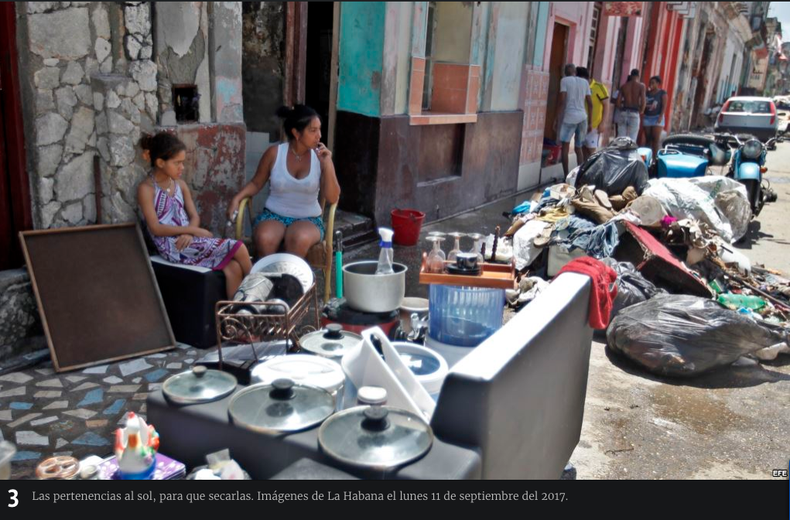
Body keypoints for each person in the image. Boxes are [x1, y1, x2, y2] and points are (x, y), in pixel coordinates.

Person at [137, 132, 252, 299]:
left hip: (188, 238)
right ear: (160, 162)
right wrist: (194, 231)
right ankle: (259, 292)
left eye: (182, 163)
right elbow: (155, 228)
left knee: (233, 267)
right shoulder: (147, 189)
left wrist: (190, 232)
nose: (182, 168)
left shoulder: (180, 185)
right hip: (173, 245)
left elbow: (194, 216)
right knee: (239, 247)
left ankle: (237, 318)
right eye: (177, 163)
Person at [227, 105, 340, 259]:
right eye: (313, 130)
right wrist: (236, 198)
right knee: (264, 238)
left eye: (319, 129)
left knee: (299, 238)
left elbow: (333, 198)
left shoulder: (320, 158)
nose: (319, 135)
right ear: (296, 133)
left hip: (309, 218)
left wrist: (328, 164)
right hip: (274, 214)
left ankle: (291, 281)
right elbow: (256, 183)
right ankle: (268, 280)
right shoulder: (274, 153)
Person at [555, 63, 593, 175]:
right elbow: (590, 104)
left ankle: (566, 175)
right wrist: (590, 122)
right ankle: (579, 176)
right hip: (583, 118)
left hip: (570, 118)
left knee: (565, 148)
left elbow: (562, 101)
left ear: (565, 73)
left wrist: (556, 118)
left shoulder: (565, 81)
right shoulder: (585, 82)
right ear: (575, 72)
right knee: (579, 148)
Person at [577, 67, 609, 158]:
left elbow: (606, 105)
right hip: (581, 124)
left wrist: (603, 123)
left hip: (594, 126)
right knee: (583, 150)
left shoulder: (599, 87)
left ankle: (594, 171)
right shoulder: (579, 87)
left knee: (591, 152)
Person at [616, 69, 645, 142]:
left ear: (630, 75)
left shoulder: (624, 86)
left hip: (624, 112)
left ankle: (621, 153)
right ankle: (629, 153)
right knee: (632, 139)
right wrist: (641, 110)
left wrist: (621, 109)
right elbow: (643, 101)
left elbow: (618, 102)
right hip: (634, 112)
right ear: (638, 76)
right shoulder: (641, 86)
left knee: (621, 139)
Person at [643, 75, 667, 157]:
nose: (651, 84)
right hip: (647, 117)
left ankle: (655, 159)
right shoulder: (647, 93)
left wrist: (661, 116)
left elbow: (664, 105)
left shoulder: (662, 93)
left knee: (655, 140)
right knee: (648, 139)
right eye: (650, 83)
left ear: (658, 83)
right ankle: (646, 158)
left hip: (657, 117)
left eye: (653, 83)